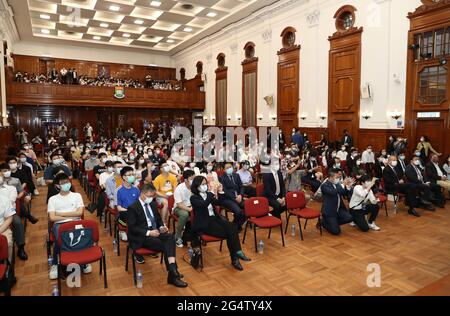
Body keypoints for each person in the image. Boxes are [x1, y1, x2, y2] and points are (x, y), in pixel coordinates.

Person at [127, 183, 187, 287]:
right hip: (142, 236)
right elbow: (132, 228)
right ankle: (173, 273)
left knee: (170, 237)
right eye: (149, 196)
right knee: (166, 245)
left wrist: (161, 227)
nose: (151, 198)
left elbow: (158, 220)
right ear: (142, 194)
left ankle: (172, 272)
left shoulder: (153, 204)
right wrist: (149, 232)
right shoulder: (133, 207)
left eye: (152, 196)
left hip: (155, 232)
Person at [190, 176, 251, 271]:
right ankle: (235, 258)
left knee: (232, 226)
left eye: (205, 184)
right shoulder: (194, 198)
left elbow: (219, 202)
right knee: (231, 233)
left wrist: (221, 192)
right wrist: (211, 193)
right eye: (202, 184)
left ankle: (237, 254)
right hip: (204, 224)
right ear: (196, 186)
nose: (205, 186)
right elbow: (204, 204)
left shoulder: (207, 195)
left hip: (214, 219)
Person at [47, 173, 88, 280]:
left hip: (76, 222)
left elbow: (79, 213)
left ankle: (82, 261)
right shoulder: (53, 199)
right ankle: (56, 264)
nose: (66, 184)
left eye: (67, 182)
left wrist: (61, 214)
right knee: (60, 239)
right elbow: (52, 218)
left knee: (80, 236)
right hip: (59, 224)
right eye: (63, 183)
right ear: (57, 186)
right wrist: (71, 215)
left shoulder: (77, 195)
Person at [0, 173, 28, 260]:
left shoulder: (10, 188)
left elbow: (11, 201)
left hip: (10, 211)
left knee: (17, 222)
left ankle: (21, 247)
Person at [320, 168, 354, 235]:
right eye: (337, 177)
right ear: (331, 177)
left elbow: (343, 193)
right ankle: (323, 223)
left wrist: (348, 187)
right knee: (336, 232)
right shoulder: (324, 185)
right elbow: (333, 192)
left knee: (350, 218)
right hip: (329, 211)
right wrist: (343, 184)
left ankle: (333, 223)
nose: (338, 179)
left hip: (338, 209)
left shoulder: (337, 184)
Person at [219, 162, 246, 230]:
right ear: (224, 170)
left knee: (248, 207)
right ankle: (236, 226)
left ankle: (235, 225)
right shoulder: (221, 178)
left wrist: (241, 195)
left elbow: (241, 187)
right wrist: (235, 198)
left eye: (230, 167)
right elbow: (225, 191)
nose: (229, 169)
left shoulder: (236, 175)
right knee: (238, 211)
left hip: (238, 197)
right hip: (227, 199)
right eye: (227, 168)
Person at [116, 166, 140, 241]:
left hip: (135, 212)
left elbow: (139, 203)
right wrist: (129, 211)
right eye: (129, 175)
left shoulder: (136, 189)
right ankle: (123, 231)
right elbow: (119, 208)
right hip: (124, 213)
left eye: (133, 174)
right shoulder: (118, 190)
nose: (132, 176)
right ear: (124, 177)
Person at [173, 170, 195, 247]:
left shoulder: (195, 187)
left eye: (194, 178)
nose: (193, 180)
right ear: (185, 180)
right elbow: (179, 204)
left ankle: (197, 235)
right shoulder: (179, 188)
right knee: (184, 214)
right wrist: (190, 210)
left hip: (191, 206)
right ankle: (177, 237)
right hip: (179, 207)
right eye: (191, 179)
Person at [0, 194, 14, 262]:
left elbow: (9, 218)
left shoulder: (4, 199)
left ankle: (7, 266)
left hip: (2, 227)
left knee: (7, 242)